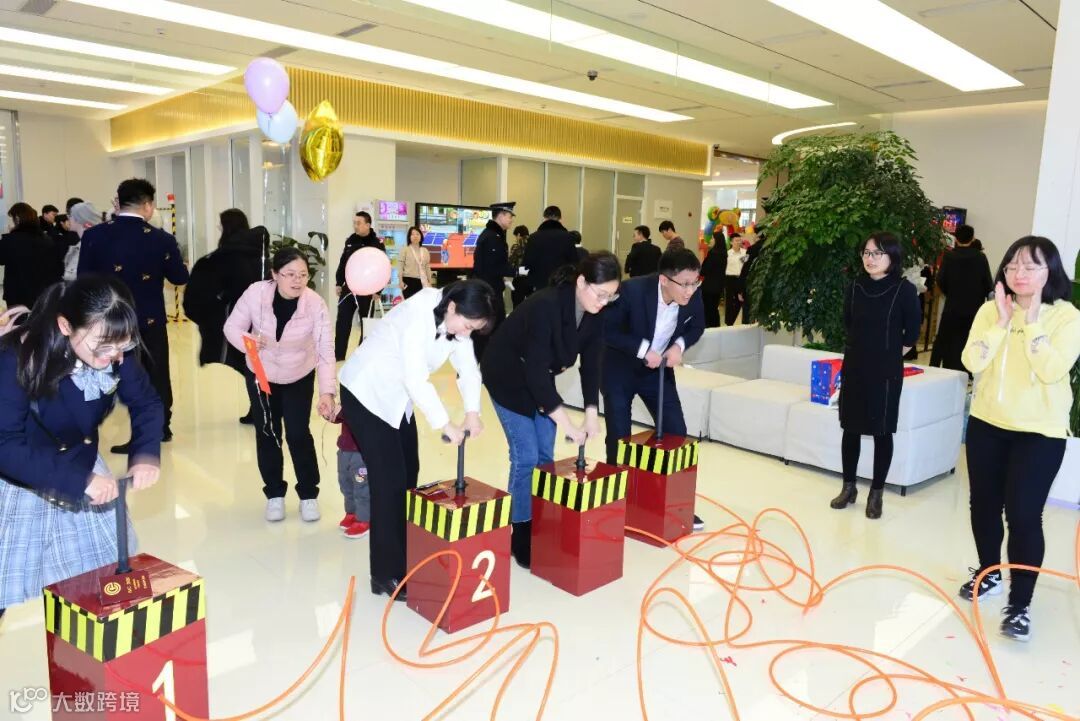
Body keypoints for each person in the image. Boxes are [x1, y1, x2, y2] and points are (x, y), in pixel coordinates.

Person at [0, 276, 163, 619]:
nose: (114, 356)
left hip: (82, 465)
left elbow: (146, 402)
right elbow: (5, 445)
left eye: (123, 345)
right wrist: (80, 481)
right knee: (6, 582)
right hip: (24, 476)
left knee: (100, 585)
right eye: (102, 347)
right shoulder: (16, 357)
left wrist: (146, 455)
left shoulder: (114, 348)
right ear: (65, 326)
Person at [338, 280, 495, 600]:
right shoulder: (417, 314)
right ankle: (386, 574)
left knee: (409, 472)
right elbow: (415, 378)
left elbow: (468, 368)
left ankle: (404, 555)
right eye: (467, 326)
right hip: (367, 392)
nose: (466, 334)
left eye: (473, 330)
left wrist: (472, 412)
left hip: (397, 397)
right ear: (453, 307)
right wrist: (445, 423)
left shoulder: (456, 320)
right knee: (389, 482)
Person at [958, 236, 1080, 642]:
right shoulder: (990, 309)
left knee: (1024, 515)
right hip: (987, 423)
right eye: (1012, 266)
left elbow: (1051, 370)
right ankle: (989, 572)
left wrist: (1031, 321)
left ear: (1051, 271)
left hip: (1039, 432)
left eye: (1031, 266)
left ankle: (1020, 604)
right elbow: (971, 361)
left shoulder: (1067, 318)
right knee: (983, 505)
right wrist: (1000, 323)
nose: (1019, 273)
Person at [482, 252, 622, 567]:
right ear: (581, 281)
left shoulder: (595, 311)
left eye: (611, 297)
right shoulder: (547, 305)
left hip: (540, 377)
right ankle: (519, 533)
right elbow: (533, 371)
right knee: (526, 456)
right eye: (600, 294)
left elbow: (592, 362)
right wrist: (567, 424)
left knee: (545, 456)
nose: (604, 302)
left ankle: (539, 521)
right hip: (507, 375)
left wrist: (590, 412)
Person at [224, 247, 336, 523]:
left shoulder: (315, 304)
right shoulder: (256, 293)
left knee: (298, 433)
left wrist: (327, 392)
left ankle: (308, 494)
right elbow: (231, 327)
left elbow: (325, 350)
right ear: (274, 274)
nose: (298, 281)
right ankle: (274, 493)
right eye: (290, 274)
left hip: (299, 372)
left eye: (303, 275)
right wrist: (249, 342)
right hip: (261, 371)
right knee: (268, 432)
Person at [78, 178, 189, 450]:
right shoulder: (162, 239)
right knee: (156, 373)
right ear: (148, 205)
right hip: (150, 320)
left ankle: (86, 431)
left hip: (109, 321)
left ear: (119, 202)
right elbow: (179, 277)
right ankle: (160, 428)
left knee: (111, 374)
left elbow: (83, 281)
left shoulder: (94, 236)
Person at [602, 248, 706, 531]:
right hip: (620, 368)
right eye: (685, 284)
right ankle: (617, 502)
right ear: (664, 280)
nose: (690, 290)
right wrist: (642, 349)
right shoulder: (632, 291)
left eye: (695, 282)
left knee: (676, 432)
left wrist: (679, 346)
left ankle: (674, 503)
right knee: (620, 436)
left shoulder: (692, 296)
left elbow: (697, 326)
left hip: (658, 371)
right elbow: (608, 329)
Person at [830, 232, 921, 519]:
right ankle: (849, 487)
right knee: (850, 428)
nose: (870, 259)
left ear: (892, 257)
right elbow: (848, 323)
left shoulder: (904, 290)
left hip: (885, 372)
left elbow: (912, 333)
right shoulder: (855, 286)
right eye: (867, 253)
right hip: (855, 365)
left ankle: (876, 493)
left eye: (877, 253)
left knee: (882, 431)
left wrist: (890, 354)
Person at [184, 209, 266, 424]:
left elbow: (201, 294)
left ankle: (261, 410)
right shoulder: (259, 254)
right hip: (260, 320)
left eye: (220, 225)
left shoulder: (223, 258)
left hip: (236, 322)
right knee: (255, 366)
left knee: (250, 366)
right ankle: (262, 410)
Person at [930, 225, 993, 374]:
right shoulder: (980, 257)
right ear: (972, 238)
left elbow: (941, 280)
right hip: (974, 308)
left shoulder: (949, 256)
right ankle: (967, 372)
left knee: (946, 339)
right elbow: (988, 284)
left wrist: (950, 293)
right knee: (969, 340)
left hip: (952, 306)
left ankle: (941, 370)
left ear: (956, 238)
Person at [334, 211, 386, 360]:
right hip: (349, 289)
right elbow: (343, 262)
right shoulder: (351, 240)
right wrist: (339, 283)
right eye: (354, 223)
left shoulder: (377, 243)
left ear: (368, 225)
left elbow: (383, 267)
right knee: (342, 322)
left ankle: (362, 357)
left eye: (358, 223)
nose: (355, 226)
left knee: (366, 324)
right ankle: (338, 356)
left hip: (369, 290)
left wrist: (378, 290)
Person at [470, 202, 516, 360]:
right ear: (501, 215)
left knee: (491, 330)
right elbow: (494, 266)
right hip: (489, 293)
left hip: (490, 290)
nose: (511, 220)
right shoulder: (492, 237)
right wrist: (516, 271)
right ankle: (473, 366)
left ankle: (486, 364)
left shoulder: (493, 235)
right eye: (509, 216)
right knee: (485, 331)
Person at [0, 202, 63, 310]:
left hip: (17, 294)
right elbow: (57, 267)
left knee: (18, 320)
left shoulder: (11, 240)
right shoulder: (46, 239)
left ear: (17, 219)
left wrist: (7, 235)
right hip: (42, 292)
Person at [332, 412, 370, 539]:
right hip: (345, 448)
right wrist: (330, 412)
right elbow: (339, 417)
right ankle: (351, 512)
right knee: (345, 484)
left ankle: (364, 519)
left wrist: (342, 411)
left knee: (361, 486)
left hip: (360, 452)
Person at [523, 206, 577, 292]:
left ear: (544, 218)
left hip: (539, 284)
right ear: (560, 219)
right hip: (561, 283)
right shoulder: (568, 237)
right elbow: (574, 263)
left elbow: (527, 263)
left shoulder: (533, 237)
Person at [62, 202, 102, 282]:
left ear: (79, 219)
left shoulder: (91, 246)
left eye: (70, 216)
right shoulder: (81, 245)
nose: (68, 219)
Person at [698, 231, 727, 328]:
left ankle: (709, 328)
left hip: (709, 287)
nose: (710, 240)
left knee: (708, 309)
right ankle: (716, 328)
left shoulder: (713, 253)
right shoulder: (724, 254)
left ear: (716, 240)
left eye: (712, 238)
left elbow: (704, 270)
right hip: (718, 287)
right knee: (714, 308)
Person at [398, 226, 432, 300]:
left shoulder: (425, 251)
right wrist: (400, 281)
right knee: (409, 304)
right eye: (412, 234)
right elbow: (400, 266)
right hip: (408, 281)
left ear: (421, 236)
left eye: (417, 234)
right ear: (409, 237)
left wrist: (429, 281)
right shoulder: (405, 249)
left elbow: (427, 267)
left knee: (420, 304)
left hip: (422, 282)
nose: (415, 236)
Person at [738, 232, 763, 324]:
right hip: (764, 286)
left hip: (751, 285)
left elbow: (745, 268)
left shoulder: (752, 249)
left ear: (757, 235)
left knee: (747, 312)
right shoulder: (772, 248)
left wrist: (740, 289)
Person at [725, 235, 748, 326]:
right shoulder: (727, 254)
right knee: (730, 302)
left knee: (740, 301)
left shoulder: (745, 253)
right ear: (731, 242)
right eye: (736, 240)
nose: (739, 242)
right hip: (730, 279)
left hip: (741, 279)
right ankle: (729, 323)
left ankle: (733, 320)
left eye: (739, 240)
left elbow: (747, 266)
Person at [508, 224, 532, 308]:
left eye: (515, 236)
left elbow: (510, 262)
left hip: (519, 280)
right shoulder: (534, 245)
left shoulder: (516, 247)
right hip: (532, 280)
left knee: (517, 305)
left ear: (518, 235)